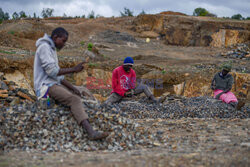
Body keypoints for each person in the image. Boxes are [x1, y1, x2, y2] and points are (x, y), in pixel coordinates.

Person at [34, 27, 109, 140]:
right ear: (55, 37)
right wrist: (74, 69)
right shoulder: (44, 47)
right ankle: (91, 132)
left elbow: (58, 76)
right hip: (45, 85)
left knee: (81, 90)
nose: (64, 44)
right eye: (63, 41)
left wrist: (73, 87)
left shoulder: (51, 49)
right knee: (74, 99)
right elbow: (52, 72)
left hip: (53, 83)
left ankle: (89, 114)